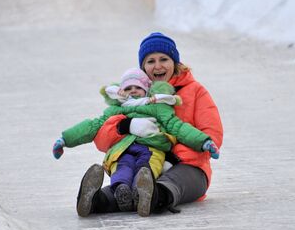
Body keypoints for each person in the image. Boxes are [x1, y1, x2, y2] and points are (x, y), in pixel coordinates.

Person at [72, 32, 223, 217]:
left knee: (169, 182)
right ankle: (96, 201)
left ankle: (153, 196)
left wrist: (172, 156)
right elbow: (102, 140)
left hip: (188, 167)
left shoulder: (196, 91)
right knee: (125, 185)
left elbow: (212, 134)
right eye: (150, 61)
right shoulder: (136, 96)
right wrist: (126, 126)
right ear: (143, 66)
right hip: (146, 161)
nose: (158, 66)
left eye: (164, 59)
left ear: (174, 62)